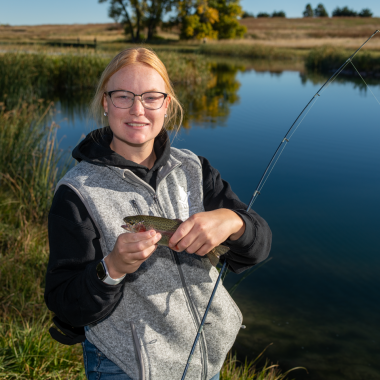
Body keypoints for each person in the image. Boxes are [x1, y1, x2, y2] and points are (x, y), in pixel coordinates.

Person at [45, 47, 272, 380]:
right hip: (125, 366)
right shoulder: (77, 192)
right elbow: (65, 303)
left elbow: (259, 246)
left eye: (151, 97)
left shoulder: (195, 169)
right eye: (123, 96)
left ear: (167, 104)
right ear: (106, 103)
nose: (138, 109)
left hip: (206, 356)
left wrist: (233, 222)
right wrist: (111, 268)